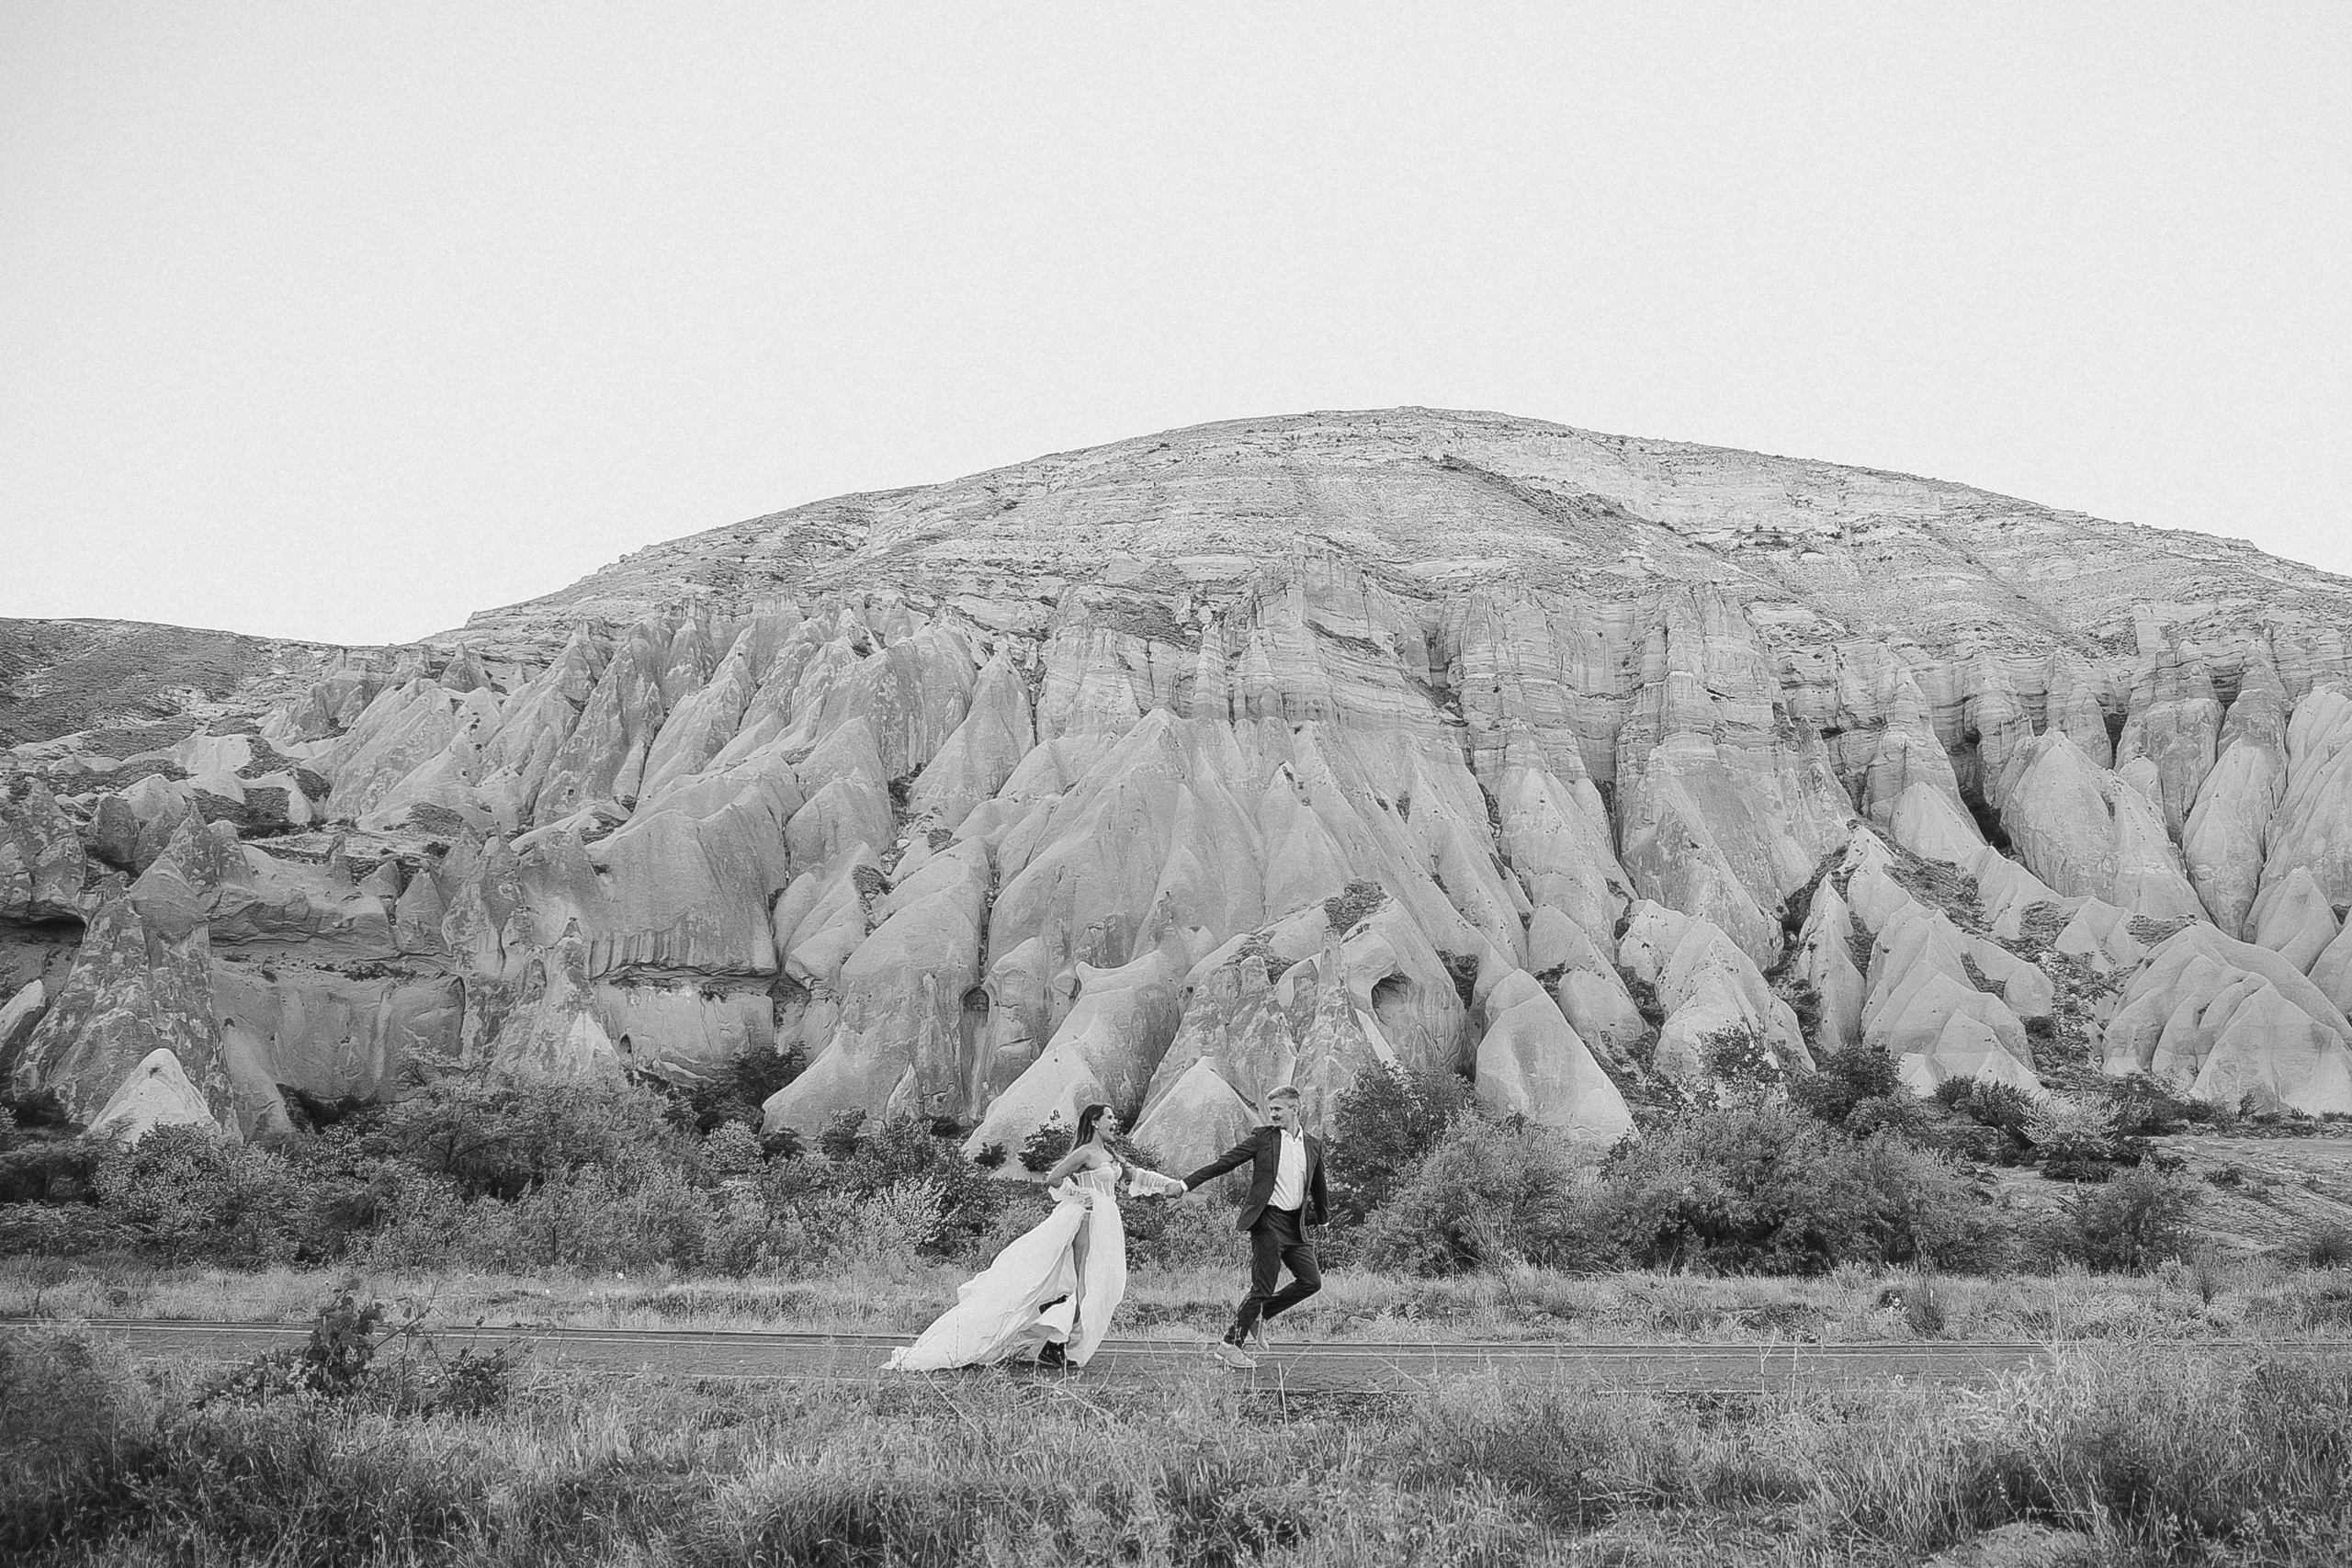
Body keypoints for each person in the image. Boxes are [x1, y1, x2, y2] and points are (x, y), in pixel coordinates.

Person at [885, 1103, 1186, 1372]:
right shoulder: (1085, 1153)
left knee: (1099, 1283)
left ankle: (1053, 1333)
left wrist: (1172, 1185)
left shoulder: (1111, 1155)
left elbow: (1139, 1176)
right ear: (1094, 1122)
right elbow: (1054, 1178)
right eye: (1109, 1117)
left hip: (1107, 1223)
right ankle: (1056, 1342)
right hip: (1087, 1220)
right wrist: (1085, 1196)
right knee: (1085, 1283)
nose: (1115, 1122)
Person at [1178, 1083, 1328, 1370]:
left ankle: (1261, 1314)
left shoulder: (1312, 1144)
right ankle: (1229, 1345)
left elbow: (1318, 1185)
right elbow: (1224, 1164)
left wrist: (1322, 1217)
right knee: (1262, 1287)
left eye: (1277, 1109)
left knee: (1311, 1281)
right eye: (1270, 1109)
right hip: (1267, 1221)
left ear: (1294, 1109)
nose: (1272, 1114)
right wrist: (1185, 1184)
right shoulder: (1263, 1139)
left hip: (1295, 1225)